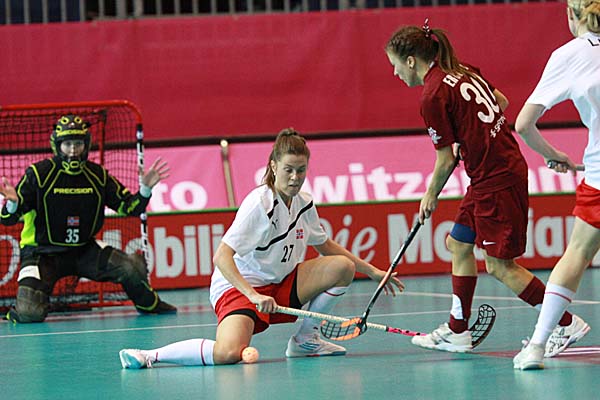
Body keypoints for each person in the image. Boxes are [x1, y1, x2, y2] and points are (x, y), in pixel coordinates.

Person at [383, 20, 589, 354]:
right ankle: (458, 330)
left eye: (394, 65)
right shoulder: (460, 69)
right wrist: (471, 135)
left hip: (497, 180)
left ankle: (565, 323)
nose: (395, 73)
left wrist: (429, 195)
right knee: (458, 244)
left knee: (500, 266)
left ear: (410, 60)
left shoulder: (432, 95)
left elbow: (445, 160)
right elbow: (500, 102)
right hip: (489, 176)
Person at [119, 128, 404, 368]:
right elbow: (222, 257)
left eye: (301, 170)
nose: (295, 177)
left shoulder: (304, 202)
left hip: (281, 283)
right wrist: (252, 294)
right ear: (273, 167)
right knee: (227, 353)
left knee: (343, 267)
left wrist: (373, 271)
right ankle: (149, 356)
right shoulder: (259, 204)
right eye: (288, 170)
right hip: (240, 288)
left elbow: (325, 245)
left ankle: (306, 340)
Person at [0, 114, 177, 322]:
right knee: (30, 312)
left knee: (130, 267)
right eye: (67, 144)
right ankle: (20, 310)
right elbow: (7, 219)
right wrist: (12, 204)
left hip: (84, 251)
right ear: (57, 145)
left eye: (78, 144)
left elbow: (129, 207)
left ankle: (149, 304)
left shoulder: (98, 176)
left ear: (86, 145)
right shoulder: (38, 174)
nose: (73, 150)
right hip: (41, 253)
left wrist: (145, 190)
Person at [512, 0, 599, 370]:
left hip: (599, 174)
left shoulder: (569, 55)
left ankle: (536, 347)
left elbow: (523, 124)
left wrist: (553, 154)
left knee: (577, 254)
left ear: (571, 15)